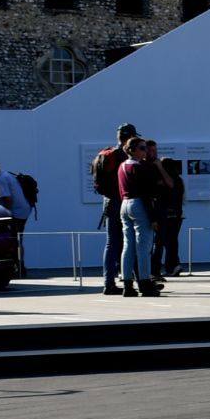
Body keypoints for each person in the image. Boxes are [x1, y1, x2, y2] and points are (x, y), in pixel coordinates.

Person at [93, 123, 138, 295]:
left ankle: (108, 282)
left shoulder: (107, 154)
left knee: (111, 243)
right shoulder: (124, 156)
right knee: (131, 242)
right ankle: (136, 279)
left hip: (109, 203)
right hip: (125, 201)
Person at [116, 138, 163, 297]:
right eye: (142, 148)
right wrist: (153, 218)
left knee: (128, 246)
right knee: (144, 247)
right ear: (133, 150)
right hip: (139, 204)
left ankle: (127, 285)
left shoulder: (122, 166)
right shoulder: (140, 168)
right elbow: (146, 194)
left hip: (125, 204)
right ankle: (145, 283)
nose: (145, 151)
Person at [145, 142, 183, 278]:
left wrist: (160, 169)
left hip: (162, 210)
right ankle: (147, 271)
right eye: (150, 150)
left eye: (155, 150)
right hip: (148, 208)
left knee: (162, 242)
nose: (153, 153)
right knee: (160, 242)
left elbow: (171, 185)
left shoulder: (160, 169)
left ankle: (156, 270)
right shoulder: (141, 166)